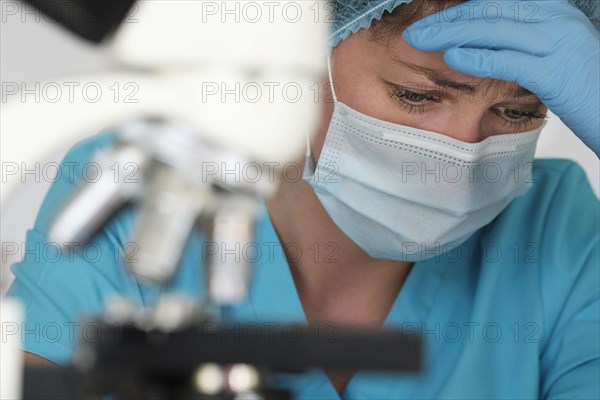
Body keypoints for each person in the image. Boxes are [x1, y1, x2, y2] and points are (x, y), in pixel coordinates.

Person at [7, 0, 599, 398]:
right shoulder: (149, 179)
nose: (462, 149)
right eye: (416, 96)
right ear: (308, 51)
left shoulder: (559, 228)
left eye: (518, 111)